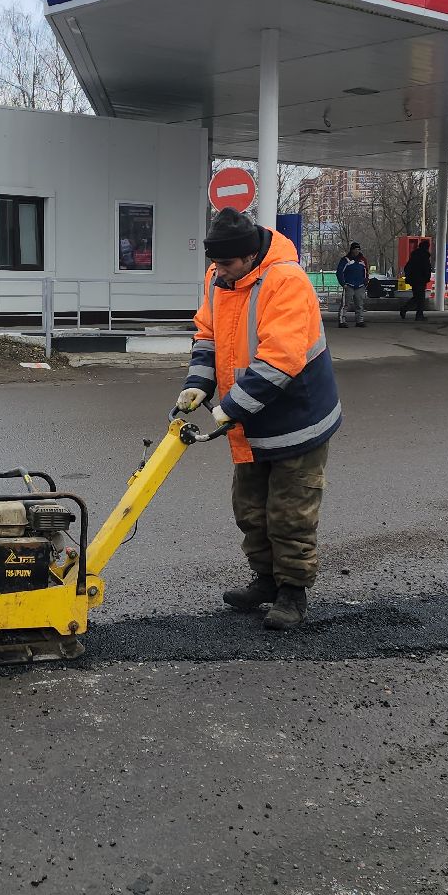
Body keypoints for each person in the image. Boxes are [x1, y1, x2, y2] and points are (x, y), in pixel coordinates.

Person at [175, 207, 342, 631]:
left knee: (290, 511)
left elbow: (280, 359)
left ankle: (293, 592)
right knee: (250, 507)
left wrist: (230, 408)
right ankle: (265, 580)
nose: (219, 271)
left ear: (250, 255)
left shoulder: (286, 281)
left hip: (296, 416)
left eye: (227, 263)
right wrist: (199, 384)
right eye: (215, 263)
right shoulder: (220, 277)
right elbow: (207, 335)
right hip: (250, 416)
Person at [335, 242, 368, 328]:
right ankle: (342, 321)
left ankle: (360, 321)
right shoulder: (345, 260)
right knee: (345, 305)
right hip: (348, 286)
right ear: (351, 250)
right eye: (355, 249)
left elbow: (366, 271)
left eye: (358, 249)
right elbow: (339, 272)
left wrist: (365, 282)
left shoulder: (363, 260)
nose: (357, 251)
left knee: (360, 305)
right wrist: (343, 284)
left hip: (360, 286)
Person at [398, 240, 433, 321]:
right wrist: (427, 277)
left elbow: (407, 267)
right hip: (421, 280)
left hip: (413, 280)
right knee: (420, 298)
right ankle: (416, 314)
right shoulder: (424, 256)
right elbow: (426, 268)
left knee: (417, 297)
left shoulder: (414, 256)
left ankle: (407, 309)